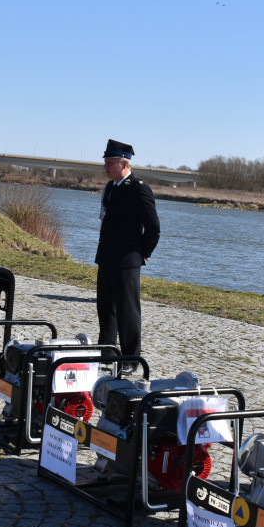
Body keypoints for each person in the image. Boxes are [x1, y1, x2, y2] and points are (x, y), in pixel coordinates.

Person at [95, 139, 160, 371]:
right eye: (105, 162)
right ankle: (106, 353)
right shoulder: (111, 188)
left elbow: (153, 227)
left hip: (127, 259)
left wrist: (144, 252)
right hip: (107, 257)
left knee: (127, 311)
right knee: (106, 308)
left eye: (109, 162)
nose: (105, 166)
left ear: (124, 164)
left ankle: (131, 360)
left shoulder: (138, 188)